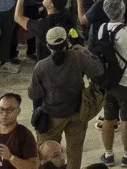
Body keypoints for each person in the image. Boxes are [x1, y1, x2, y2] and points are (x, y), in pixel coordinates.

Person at [29, 26, 103, 169]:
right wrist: (85, 50)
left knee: (48, 154)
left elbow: (34, 94)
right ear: (67, 41)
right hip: (77, 112)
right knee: (75, 152)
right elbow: (98, 70)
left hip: (51, 117)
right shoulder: (78, 57)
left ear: (48, 46)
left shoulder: (41, 66)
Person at [95, 0, 127, 167]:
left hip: (108, 82)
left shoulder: (102, 28)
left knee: (109, 119)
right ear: (122, 10)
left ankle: (108, 155)